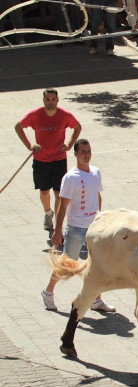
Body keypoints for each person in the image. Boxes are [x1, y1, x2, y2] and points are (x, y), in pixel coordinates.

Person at [41, 138, 115, 312]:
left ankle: (96, 299)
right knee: (67, 263)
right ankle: (48, 292)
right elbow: (62, 205)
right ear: (75, 154)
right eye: (82, 152)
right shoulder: (70, 178)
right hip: (75, 228)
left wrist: (100, 217)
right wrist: (58, 230)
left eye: (88, 151)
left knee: (97, 264)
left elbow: (97, 196)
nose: (86, 155)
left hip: (94, 228)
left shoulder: (96, 172)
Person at [15, 88, 82, 230]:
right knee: (44, 192)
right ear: (43, 100)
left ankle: (58, 226)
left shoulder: (65, 115)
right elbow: (18, 127)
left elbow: (77, 127)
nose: (50, 102)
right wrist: (29, 145)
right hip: (41, 159)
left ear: (58, 100)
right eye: (47, 99)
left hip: (59, 159)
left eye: (53, 99)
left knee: (59, 193)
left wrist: (69, 144)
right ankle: (48, 213)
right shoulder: (35, 115)